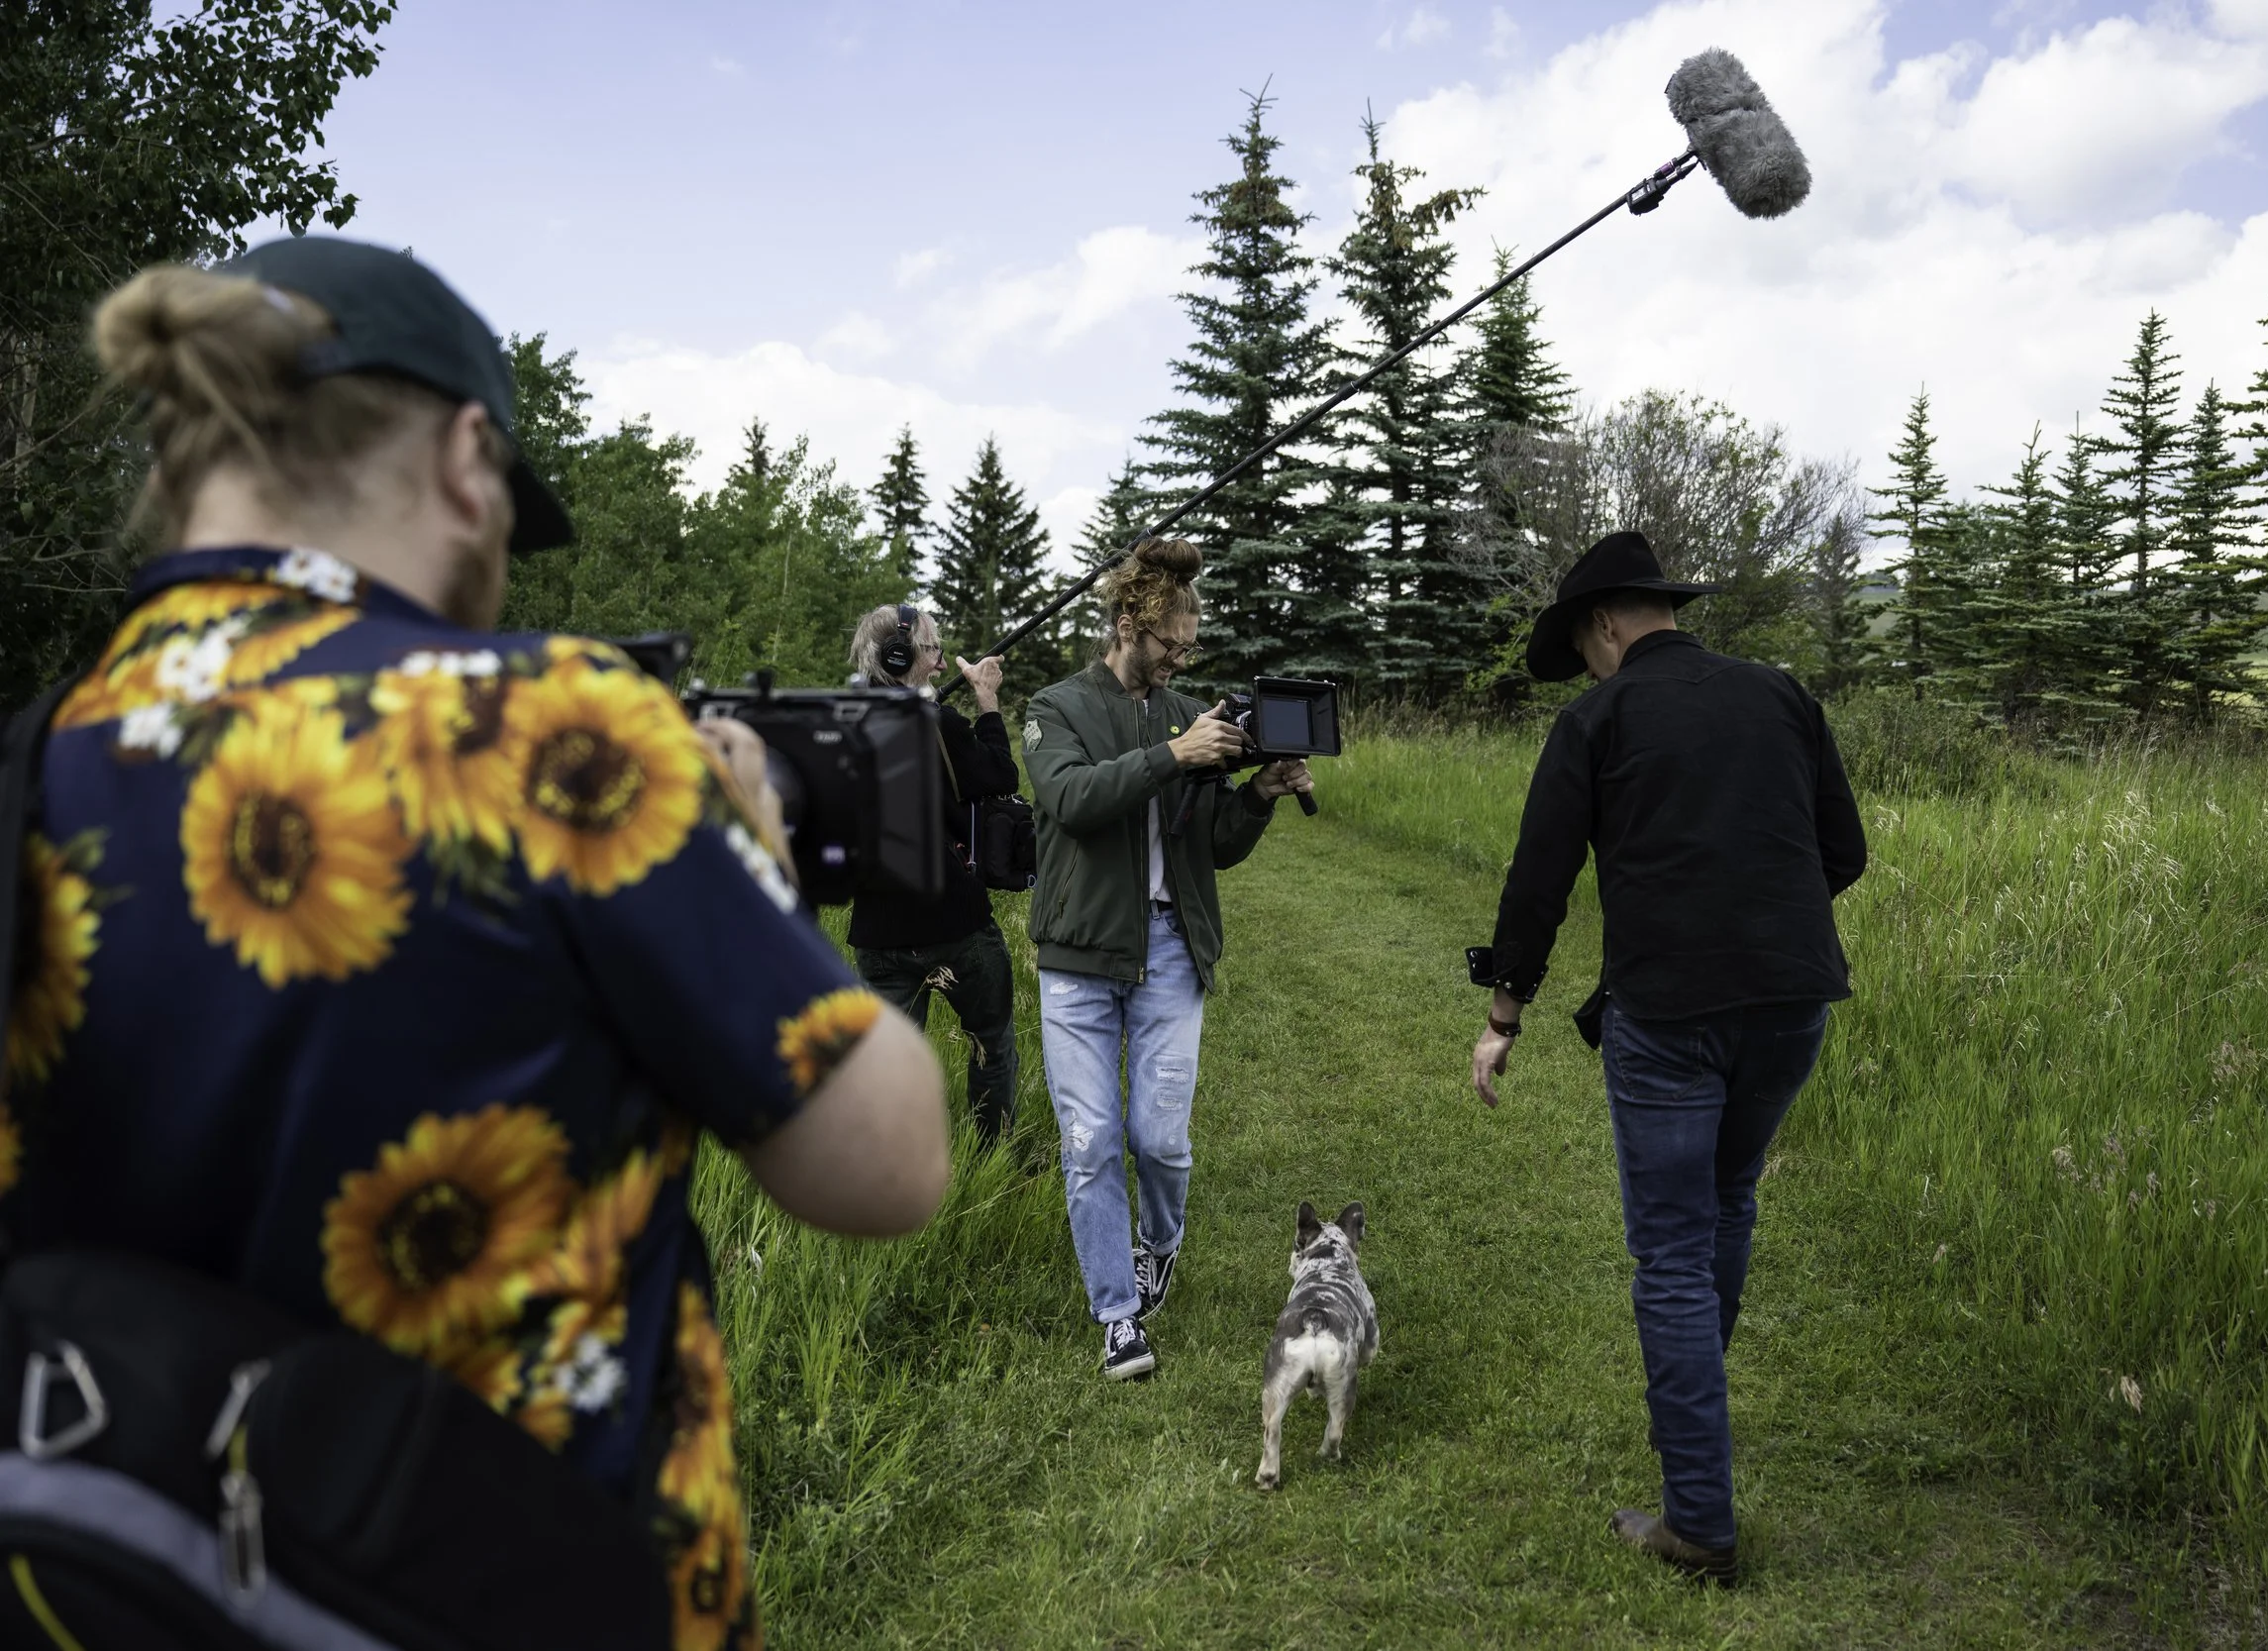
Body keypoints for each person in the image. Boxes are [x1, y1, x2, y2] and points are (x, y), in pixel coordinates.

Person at [0, 238, 949, 1649]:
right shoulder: (537, 728)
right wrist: (747, 865)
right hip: (506, 1590)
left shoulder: (38, 761)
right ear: (464, 460)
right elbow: (889, 1161)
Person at [1468, 529, 1867, 1588]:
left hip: (1669, 1013)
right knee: (1727, 1201)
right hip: (1792, 997)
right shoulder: (1780, 692)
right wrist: (1756, 918)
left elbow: (1540, 875)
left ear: (1604, 624)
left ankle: (1697, 1514)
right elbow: (1845, 851)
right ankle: (1695, 1426)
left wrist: (1503, 1010)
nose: (1588, 661)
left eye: (1581, 642)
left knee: (1674, 1253)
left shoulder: (1597, 715)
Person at [1021, 536, 1312, 1381]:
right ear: (1126, 625)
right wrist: (1172, 755)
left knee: (1158, 1138)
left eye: (1190, 646)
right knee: (1090, 1141)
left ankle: (1162, 1241)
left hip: (1170, 952)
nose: (1181, 659)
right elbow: (1072, 799)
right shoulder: (1055, 706)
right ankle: (1117, 1314)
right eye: (1170, 645)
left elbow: (1211, 845)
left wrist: (1255, 794)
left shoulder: (1189, 710)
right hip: (1078, 959)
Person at [843, 603, 1022, 1144]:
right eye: (932, 650)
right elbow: (999, 776)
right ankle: (991, 1154)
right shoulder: (938, 723)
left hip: (876, 931)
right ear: (899, 656)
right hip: (955, 925)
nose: (941, 665)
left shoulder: (838, 722)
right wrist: (987, 701)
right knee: (990, 1040)